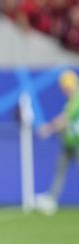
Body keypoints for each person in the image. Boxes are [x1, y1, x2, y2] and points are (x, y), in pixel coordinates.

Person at [36, 69, 79, 215]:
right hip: (69, 142)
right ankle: (52, 199)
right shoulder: (71, 101)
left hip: (77, 143)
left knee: (61, 170)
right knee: (60, 170)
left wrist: (48, 129)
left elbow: (65, 119)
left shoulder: (77, 99)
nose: (64, 90)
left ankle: (51, 199)